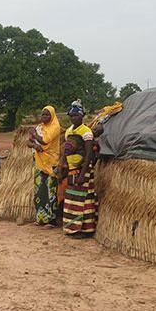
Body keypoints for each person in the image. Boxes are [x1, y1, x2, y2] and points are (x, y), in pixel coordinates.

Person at [60, 101, 96, 236]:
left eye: (76, 115)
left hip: (82, 169)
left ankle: (85, 229)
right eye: (72, 115)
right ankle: (72, 228)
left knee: (84, 199)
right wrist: (64, 164)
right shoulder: (69, 131)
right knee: (72, 199)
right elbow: (66, 151)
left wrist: (82, 174)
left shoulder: (86, 132)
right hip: (71, 169)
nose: (74, 118)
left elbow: (89, 154)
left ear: (82, 116)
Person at [26, 106, 61, 227]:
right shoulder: (39, 127)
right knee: (39, 191)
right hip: (39, 162)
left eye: (47, 115)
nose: (44, 117)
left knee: (51, 191)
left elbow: (45, 140)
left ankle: (51, 220)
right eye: (43, 114)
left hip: (51, 162)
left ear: (52, 116)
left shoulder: (55, 127)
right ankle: (40, 218)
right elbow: (28, 142)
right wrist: (34, 145)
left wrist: (34, 134)